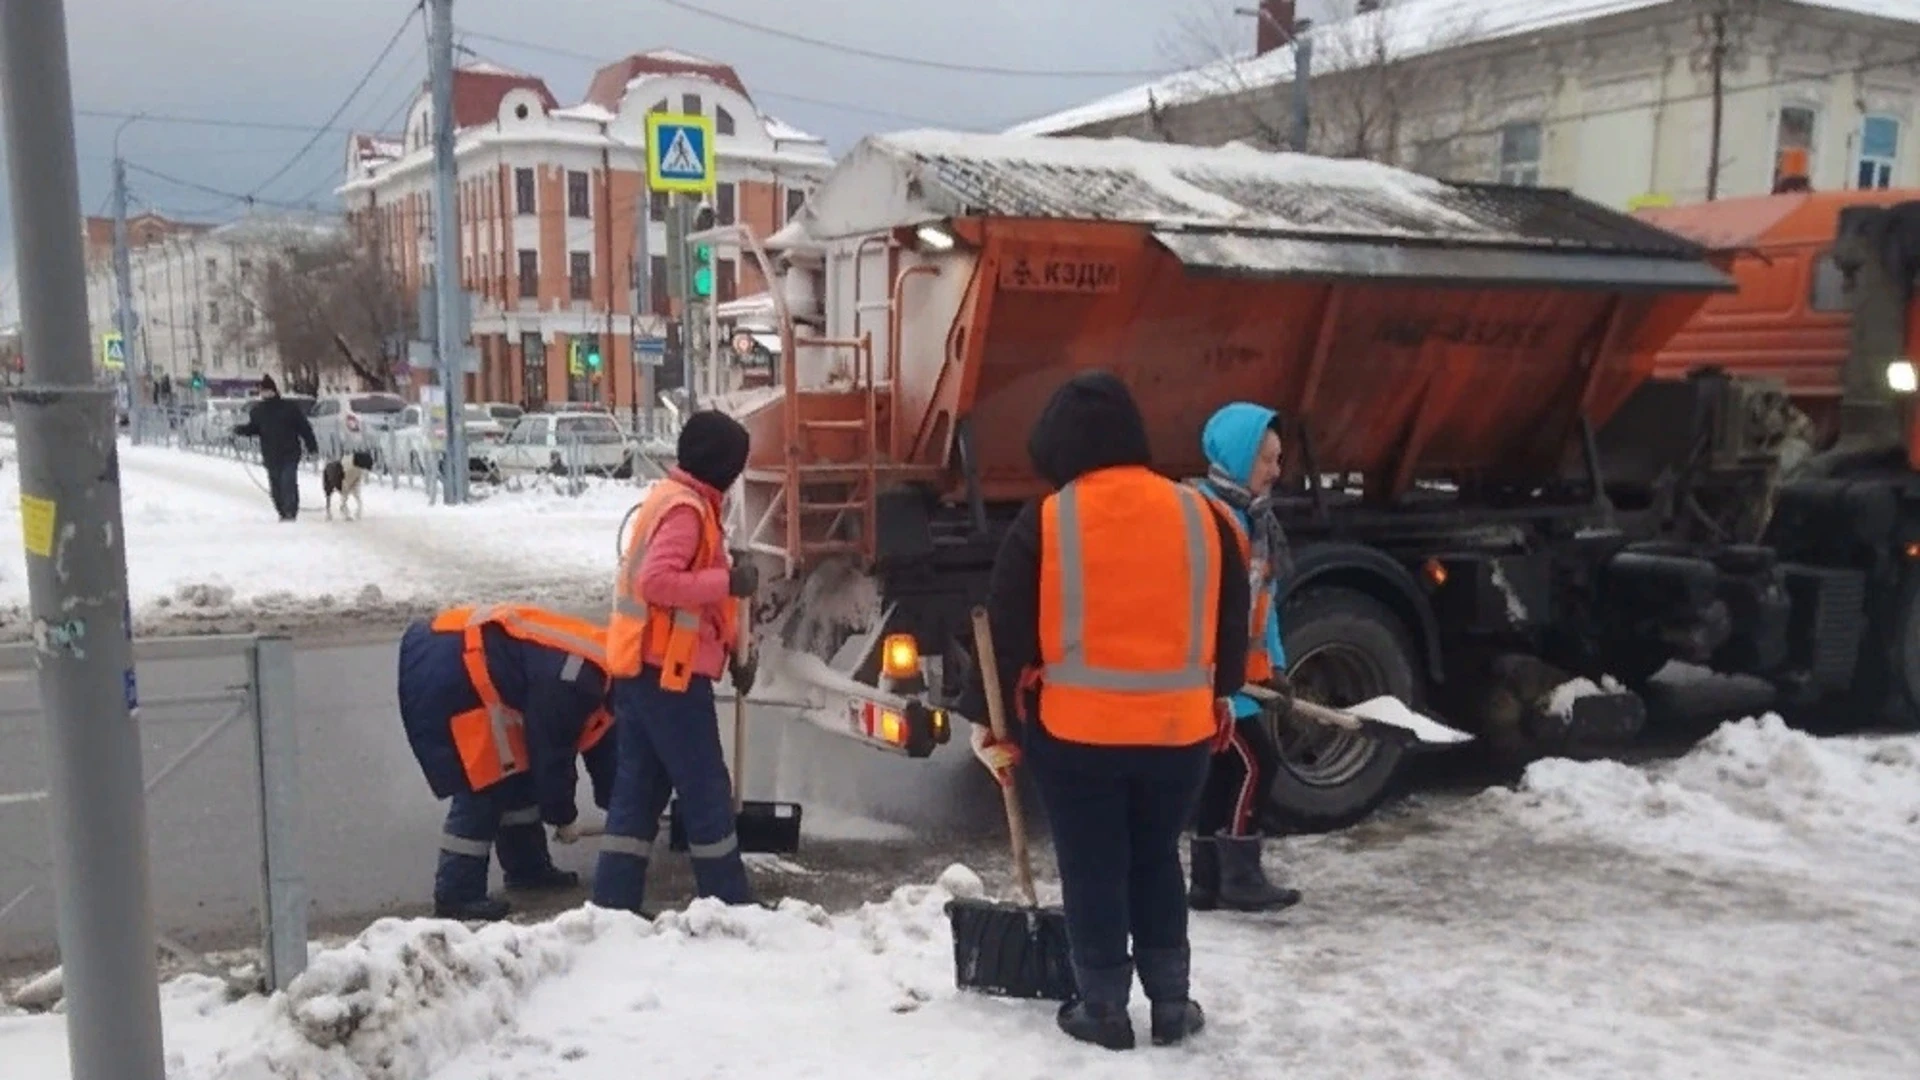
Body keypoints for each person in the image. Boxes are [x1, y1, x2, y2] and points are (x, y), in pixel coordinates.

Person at [963, 371, 1250, 1052]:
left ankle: (1103, 1007)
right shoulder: (1202, 513)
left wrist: (990, 723)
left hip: (1078, 736)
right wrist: (1221, 695)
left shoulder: (1048, 519)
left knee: (1093, 866)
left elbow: (1007, 635)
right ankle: (1172, 1003)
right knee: (1155, 858)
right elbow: (1231, 622)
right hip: (1180, 735)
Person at [593, 410, 760, 915]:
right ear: (722, 465)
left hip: (646, 672)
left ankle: (612, 905)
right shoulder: (686, 511)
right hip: (669, 678)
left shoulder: (683, 501)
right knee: (706, 788)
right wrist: (728, 582)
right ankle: (728, 904)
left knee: (639, 792)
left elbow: (701, 609)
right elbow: (657, 583)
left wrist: (734, 651)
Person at [397, 602, 618, 921]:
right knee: (485, 783)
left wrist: (624, 811)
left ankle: (527, 869)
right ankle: (456, 895)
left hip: (462, 653)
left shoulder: (603, 667)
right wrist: (562, 816)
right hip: (452, 664)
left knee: (517, 771)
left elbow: (603, 748)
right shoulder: (577, 679)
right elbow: (552, 751)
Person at [1185, 402, 1303, 913]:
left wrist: (1275, 666)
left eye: (1278, 459)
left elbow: (1264, 603)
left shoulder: (1255, 520)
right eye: (1266, 460)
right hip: (1215, 683)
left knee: (1223, 773)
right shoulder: (1205, 519)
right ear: (1235, 458)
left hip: (1246, 683)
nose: (1276, 471)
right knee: (1259, 764)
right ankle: (1240, 875)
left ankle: (1208, 882)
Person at [231, 374, 317, 521]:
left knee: (288, 482)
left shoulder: (289, 408)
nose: (264, 393)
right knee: (276, 486)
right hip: (270, 454)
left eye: (267, 390)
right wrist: (239, 430)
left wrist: (312, 446)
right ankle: (282, 511)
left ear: (274, 391)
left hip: (290, 452)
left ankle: (290, 512)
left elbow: (304, 428)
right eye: (262, 391)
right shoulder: (258, 411)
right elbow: (254, 429)